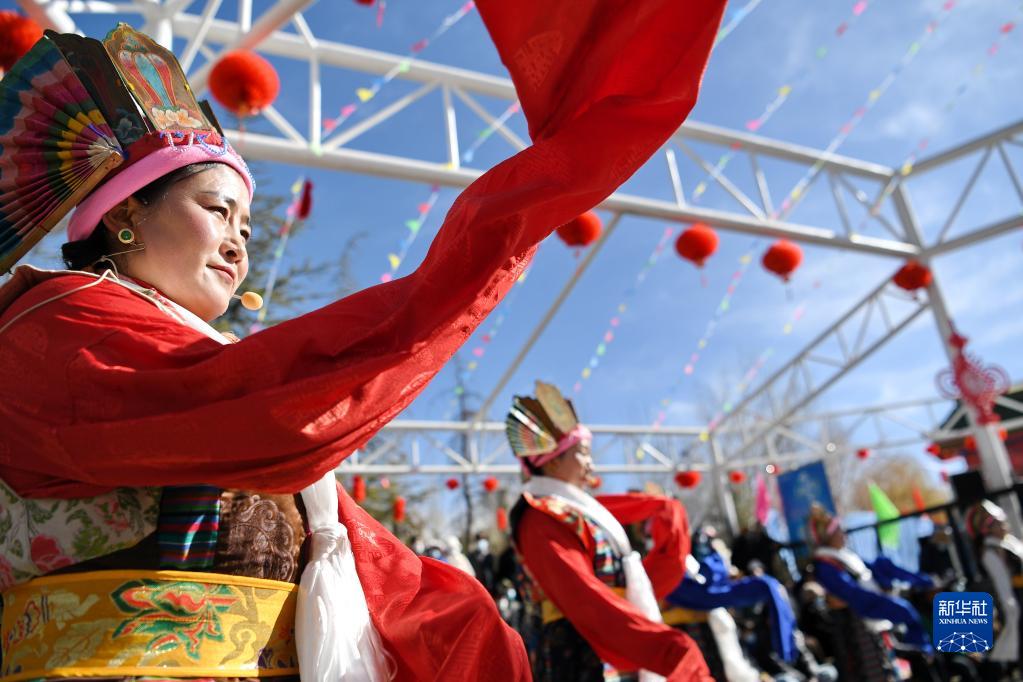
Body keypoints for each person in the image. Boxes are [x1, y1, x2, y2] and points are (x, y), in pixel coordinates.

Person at [0, 2, 727, 679]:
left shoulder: (162, 347)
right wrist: (511, 220)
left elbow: (374, 561)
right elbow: (275, 412)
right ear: (124, 213)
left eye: (247, 227)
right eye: (217, 211)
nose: (238, 243)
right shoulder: (53, 327)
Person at [506, 381, 710, 681]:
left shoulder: (575, 513)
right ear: (552, 462)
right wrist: (664, 648)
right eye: (583, 453)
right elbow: (584, 598)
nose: (591, 464)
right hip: (578, 650)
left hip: (609, 637)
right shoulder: (541, 517)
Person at [806, 505, 936, 682]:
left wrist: (922, 580)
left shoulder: (844, 556)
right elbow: (853, 595)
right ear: (829, 536)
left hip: (871, 622)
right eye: (838, 531)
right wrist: (891, 605)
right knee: (871, 674)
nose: (843, 534)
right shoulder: (825, 565)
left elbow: (879, 569)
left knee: (889, 669)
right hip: (856, 629)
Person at [965, 499, 1023, 676]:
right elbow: (1003, 587)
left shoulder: (1009, 542)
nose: (1002, 522)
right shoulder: (991, 552)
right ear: (987, 529)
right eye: (995, 522)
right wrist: (1014, 616)